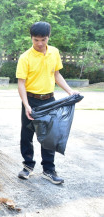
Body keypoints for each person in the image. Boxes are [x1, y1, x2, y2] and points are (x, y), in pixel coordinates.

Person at [16, 21, 79, 185]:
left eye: (43, 39)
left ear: (48, 37)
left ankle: (49, 170)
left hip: (49, 100)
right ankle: (28, 166)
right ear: (31, 38)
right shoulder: (25, 57)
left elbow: (56, 75)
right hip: (30, 100)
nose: (39, 43)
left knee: (50, 136)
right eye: (36, 40)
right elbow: (21, 83)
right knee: (27, 135)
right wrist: (26, 105)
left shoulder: (54, 53)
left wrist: (69, 91)